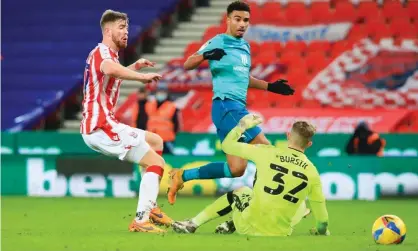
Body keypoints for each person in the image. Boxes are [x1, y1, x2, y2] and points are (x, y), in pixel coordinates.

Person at [167, 1, 295, 204]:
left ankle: (181, 176)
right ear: (228, 20)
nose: (242, 24)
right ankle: (270, 201)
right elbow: (188, 63)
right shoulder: (219, 41)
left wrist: (270, 87)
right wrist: (206, 55)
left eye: (246, 20)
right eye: (238, 19)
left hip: (233, 109)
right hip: (227, 105)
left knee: (236, 169)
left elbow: (244, 78)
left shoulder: (245, 46)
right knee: (266, 149)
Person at [80, 9, 172, 233]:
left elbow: (113, 73)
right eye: (121, 28)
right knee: (156, 164)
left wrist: (135, 67)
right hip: (100, 127)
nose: (126, 33)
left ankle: (150, 208)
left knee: (156, 141)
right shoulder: (102, 54)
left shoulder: (108, 56)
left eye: (127, 28)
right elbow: (112, 70)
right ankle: (141, 220)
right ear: (108, 30)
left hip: (104, 124)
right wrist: (142, 77)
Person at [172, 115, 330, 237]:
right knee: (301, 205)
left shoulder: (266, 152)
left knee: (241, 192)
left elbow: (227, 145)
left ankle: (192, 224)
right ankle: (231, 223)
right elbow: (323, 221)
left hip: (249, 227)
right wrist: (321, 231)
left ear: (288, 135)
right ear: (309, 144)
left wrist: (242, 126)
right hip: (280, 234)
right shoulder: (312, 172)